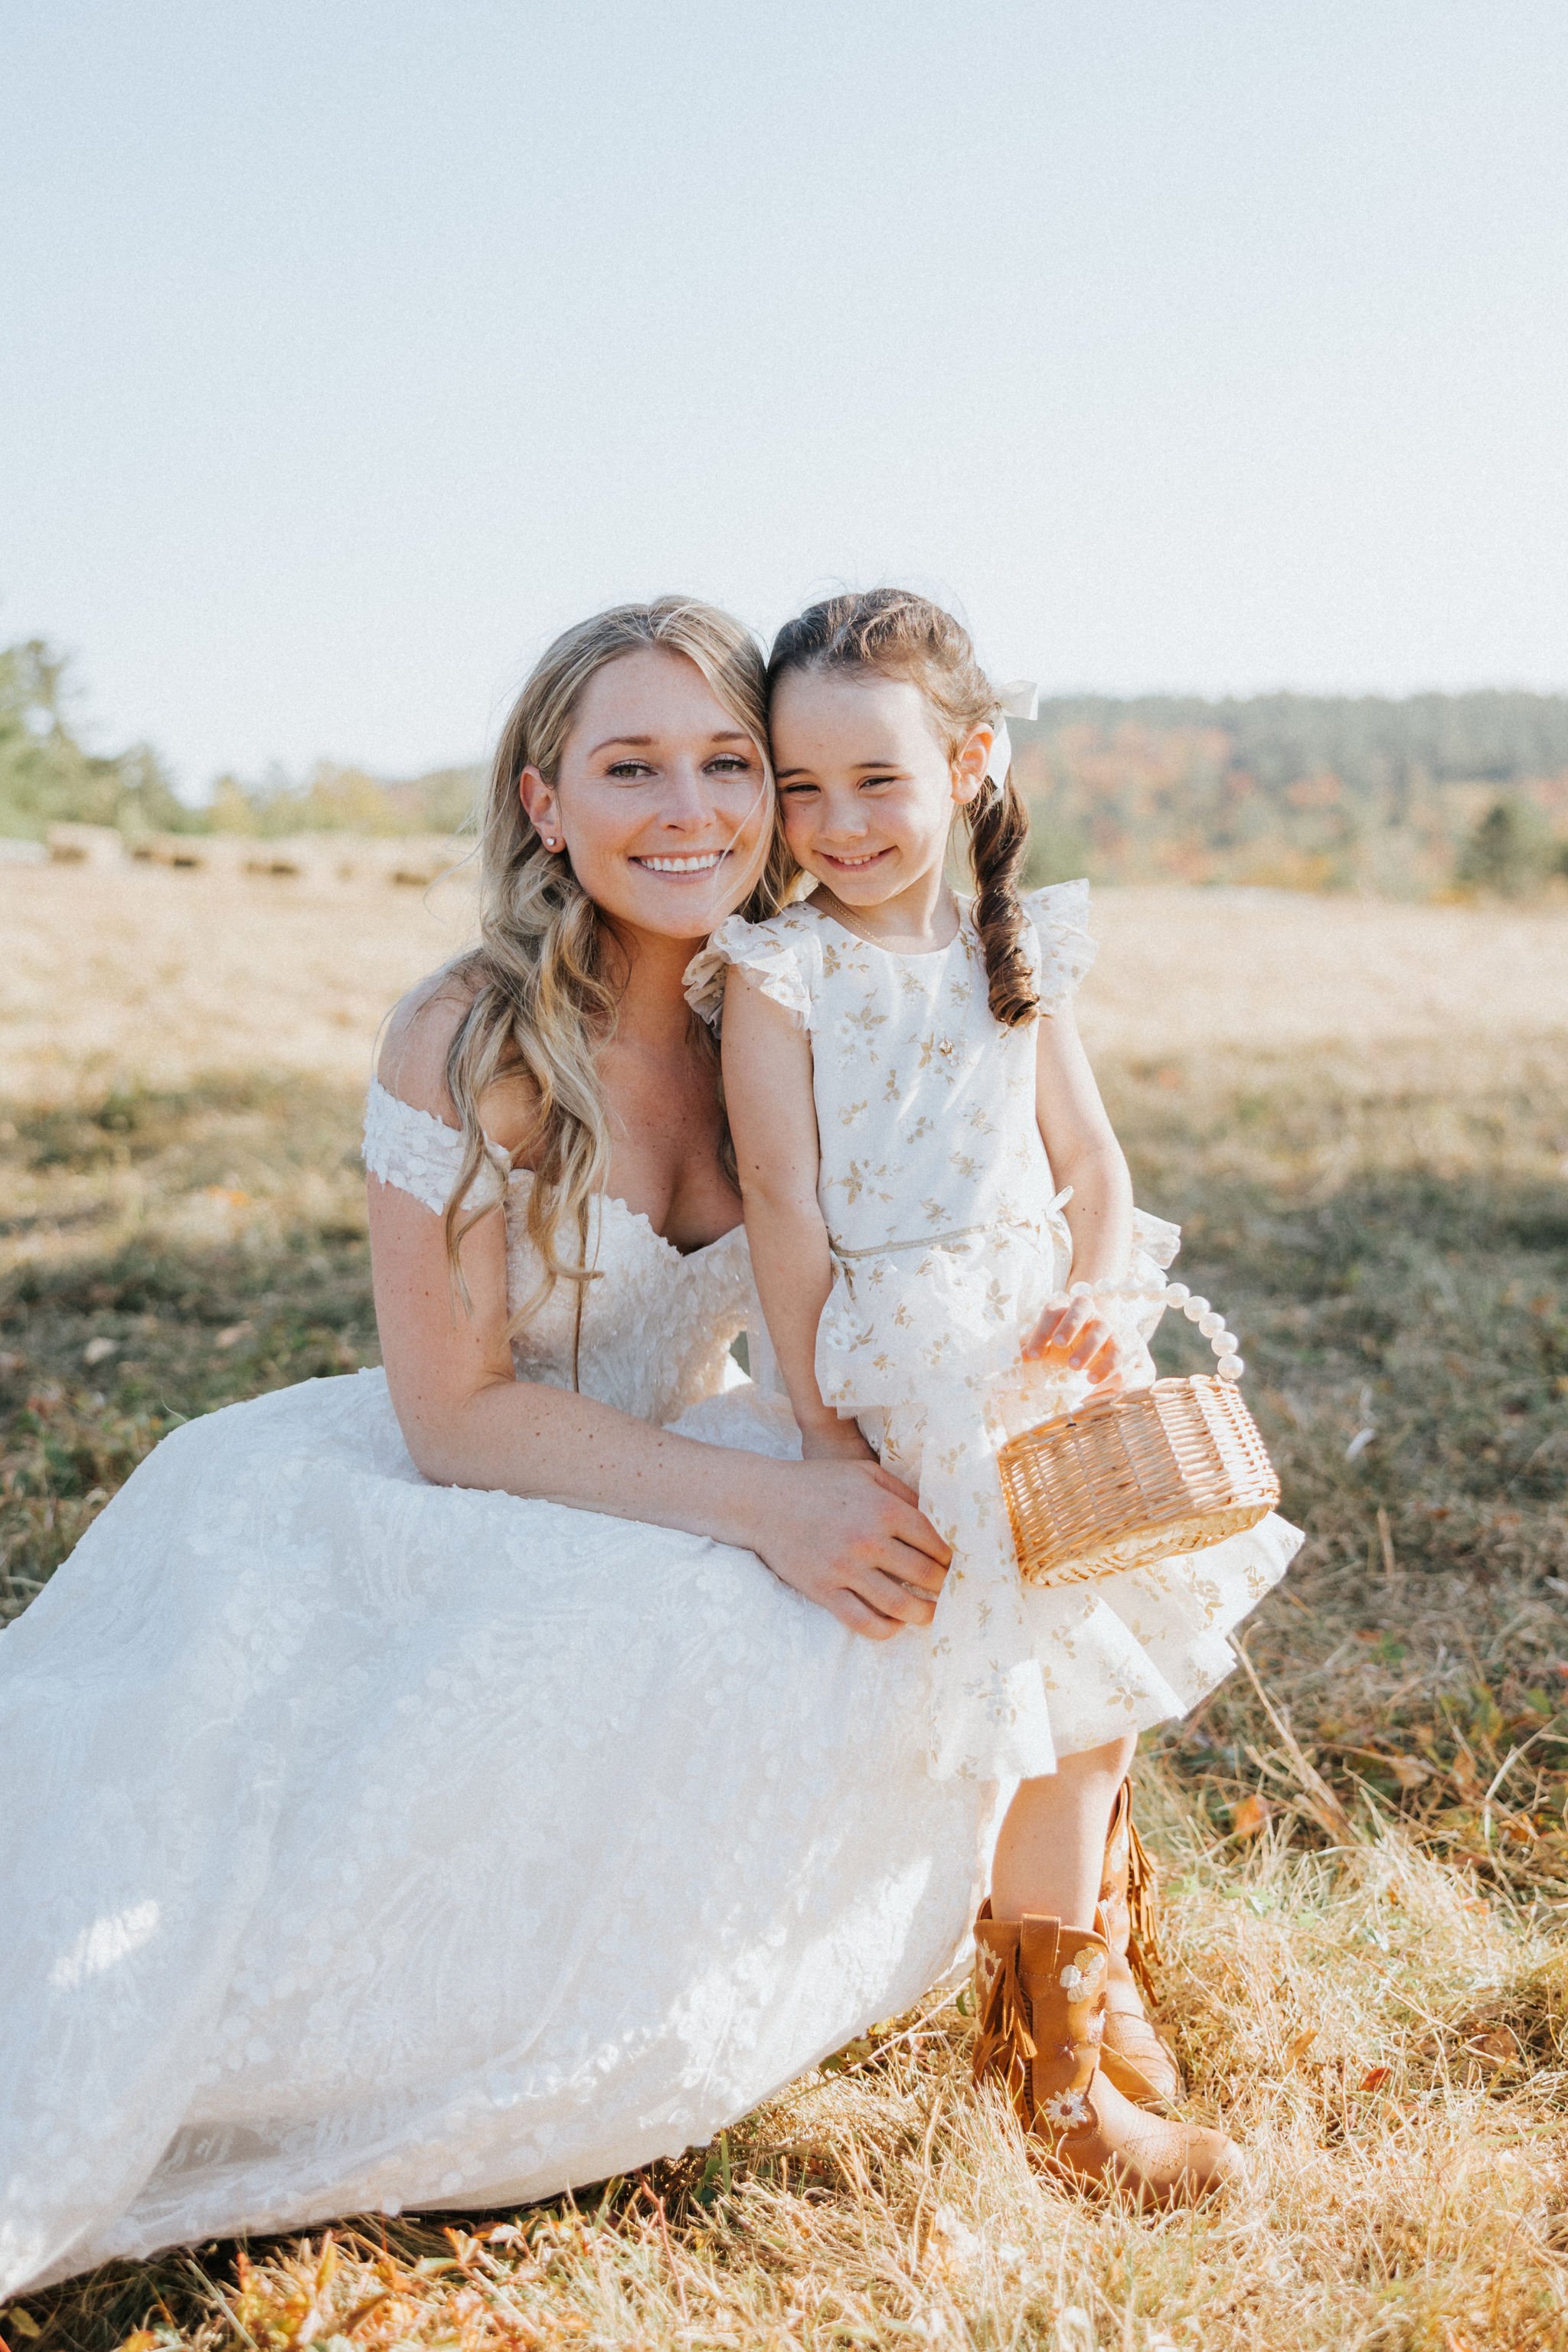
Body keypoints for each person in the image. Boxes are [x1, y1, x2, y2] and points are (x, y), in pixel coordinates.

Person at [0, 599, 983, 2298]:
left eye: (726, 762)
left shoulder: (792, 1004)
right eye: (629, 766)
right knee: (647, 1636)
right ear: (544, 801)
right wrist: (768, 1507)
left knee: (881, 1595)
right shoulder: (468, 1033)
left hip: (679, 1441)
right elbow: (451, 1411)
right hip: (451, 1478)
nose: (688, 808)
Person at [691, 590, 1304, 2200]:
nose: (834, 826)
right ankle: (1053, 2087)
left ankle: (1090, 1991)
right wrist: (825, 1430)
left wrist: (1102, 1300)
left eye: (873, 782)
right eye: (799, 790)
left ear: (967, 759)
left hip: (1048, 1348)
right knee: (1052, 1707)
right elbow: (783, 1204)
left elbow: (1091, 1166)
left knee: (1104, 1684)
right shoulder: (779, 970)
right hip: (912, 1370)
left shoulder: (1008, 944)